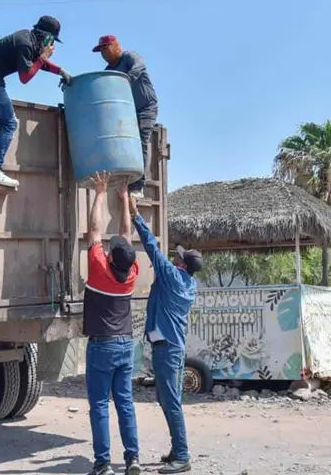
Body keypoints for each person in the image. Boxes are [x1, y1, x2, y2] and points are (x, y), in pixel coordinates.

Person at [129, 196, 202, 474]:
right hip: (172, 348)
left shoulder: (172, 276)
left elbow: (152, 248)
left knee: (170, 401)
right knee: (166, 399)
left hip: (167, 349)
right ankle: (176, 448)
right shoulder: (188, 283)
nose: (175, 256)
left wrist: (136, 216)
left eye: (179, 257)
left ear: (182, 265)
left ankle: (182, 455)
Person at [0, 15, 72, 189]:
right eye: (51, 40)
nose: (51, 45)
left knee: (7, 121)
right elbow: (25, 77)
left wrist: (60, 71)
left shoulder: (30, 41)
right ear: (45, 36)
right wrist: (43, 57)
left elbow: (37, 64)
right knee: (10, 123)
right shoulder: (24, 43)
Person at [83, 172, 141, 475]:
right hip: (125, 344)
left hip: (103, 346)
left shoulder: (98, 269)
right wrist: (124, 202)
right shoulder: (130, 272)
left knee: (99, 406)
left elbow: (93, 230)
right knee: (125, 404)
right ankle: (133, 459)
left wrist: (101, 192)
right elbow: (126, 239)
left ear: (109, 256)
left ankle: (103, 463)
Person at [93, 35, 157, 199]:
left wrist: (125, 79)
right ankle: (121, 178)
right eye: (100, 50)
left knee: (140, 140)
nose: (103, 53)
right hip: (126, 110)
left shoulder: (129, 57)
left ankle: (138, 185)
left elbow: (140, 65)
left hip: (145, 108)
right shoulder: (108, 72)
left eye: (105, 48)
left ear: (115, 46)